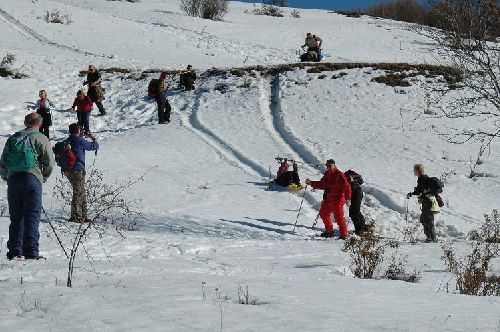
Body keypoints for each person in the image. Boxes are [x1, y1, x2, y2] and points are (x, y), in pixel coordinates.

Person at [0, 113, 55, 260]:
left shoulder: (13, 138)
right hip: (32, 178)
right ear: (40, 124)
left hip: (13, 179)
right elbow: (49, 162)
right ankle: (30, 251)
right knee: (31, 215)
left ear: (25, 122)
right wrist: (42, 177)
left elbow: (3, 161)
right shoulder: (40, 138)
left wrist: (7, 176)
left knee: (16, 217)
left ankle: (14, 251)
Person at [306, 159, 351, 239]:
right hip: (330, 198)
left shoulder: (339, 174)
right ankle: (329, 231)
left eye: (330, 166)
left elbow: (347, 187)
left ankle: (344, 235)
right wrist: (311, 183)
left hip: (338, 199)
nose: (328, 167)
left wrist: (348, 199)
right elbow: (322, 184)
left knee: (339, 217)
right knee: (323, 213)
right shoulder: (327, 174)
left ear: (334, 165)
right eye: (327, 166)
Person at [65, 123, 99, 223]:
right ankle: (76, 217)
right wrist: (93, 138)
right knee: (78, 192)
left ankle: (82, 215)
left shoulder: (68, 140)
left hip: (68, 169)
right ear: (79, 131)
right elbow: (94, 146)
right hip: (77, 169)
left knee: (80, 191)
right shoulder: (79, 140)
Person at [406, 164, 440, 243]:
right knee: (424, 219)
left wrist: (411, 194)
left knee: (428, 219)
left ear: (418, 171)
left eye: (414, 170)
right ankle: (429, 237)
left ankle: (432, 238)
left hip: (428, 202)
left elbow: (419, 191)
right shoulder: (423, 178)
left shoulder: (422, 179)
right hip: (428, 201)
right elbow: (420, 190)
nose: (414, 172)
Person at [344, 170, 367, 235]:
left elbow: (361, 181)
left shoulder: (348, 174)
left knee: (354, 213)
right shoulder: (344, 175)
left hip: (357, 193)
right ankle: (363, 227)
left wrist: (352, 178)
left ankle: (359, 230)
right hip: (355, 193)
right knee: (355, 212)